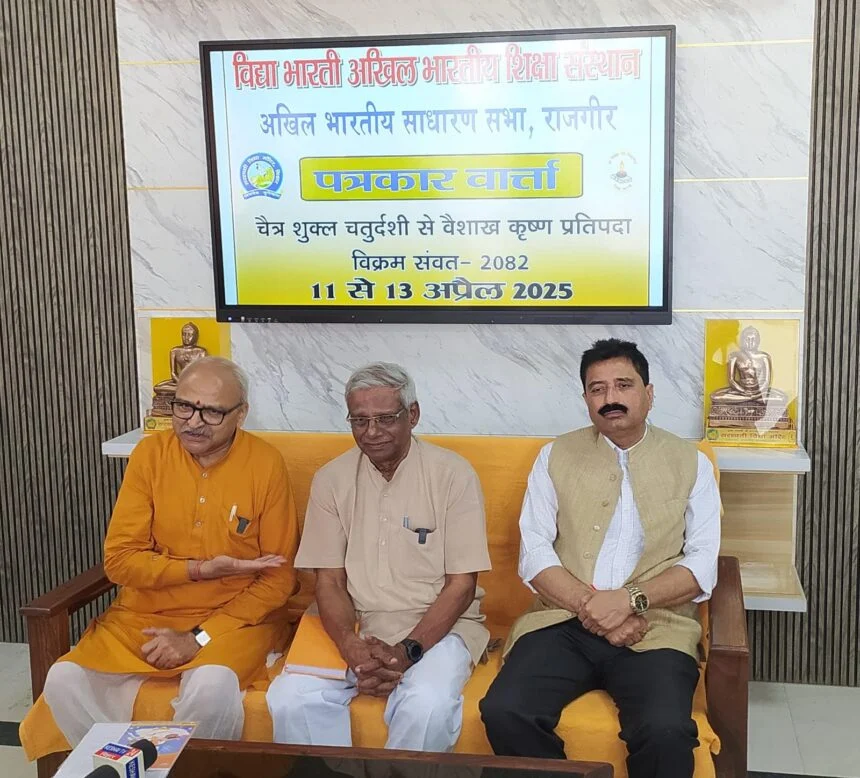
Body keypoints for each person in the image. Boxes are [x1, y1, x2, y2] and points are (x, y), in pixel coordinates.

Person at [480, 339, 721, 778]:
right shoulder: (555, 455)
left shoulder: (691, 463)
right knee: (505, 710)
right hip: (561, 622)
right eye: (597, 389)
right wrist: (594, 609)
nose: (611, 398)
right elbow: (534, 553)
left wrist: (629, 601)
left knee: (665, 731)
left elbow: (703, 563)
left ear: (649, 393)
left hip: (657, 627)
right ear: (586, 398)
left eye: (623, 385)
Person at [43, 357, 299, 745]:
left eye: (211, 412)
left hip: (229, 623)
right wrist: (198, 570)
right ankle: (124, 765)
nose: (193, 422)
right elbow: (120, 561)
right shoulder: (150, 456)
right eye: (184, 406)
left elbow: (279, 580)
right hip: (143, 616)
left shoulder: (265, 464)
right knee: (63, 680)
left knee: (211, 687)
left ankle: (193, 770)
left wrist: (197, 637)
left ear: (241, 413)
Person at [267, 362, 491, 752]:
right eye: (360, 420)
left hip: (436, 628)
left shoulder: (453, 474)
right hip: (350, 624)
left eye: (385, 418)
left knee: (426, 706)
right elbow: (330, 581)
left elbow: (462, 585)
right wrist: (348, 645)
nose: (371, 432)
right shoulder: (331, 479)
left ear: (413, 415)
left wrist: (406, 652)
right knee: (291, 699)